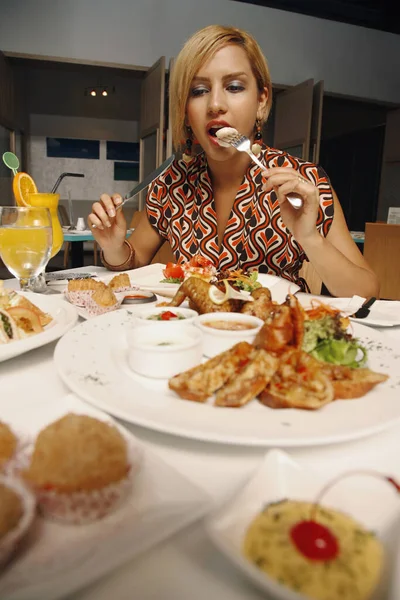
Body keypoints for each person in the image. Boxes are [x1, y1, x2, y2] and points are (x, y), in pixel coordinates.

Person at [88, 25, 379, 298]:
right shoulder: (171, 184)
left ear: (262, 100)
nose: (215, 104)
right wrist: (113, 247)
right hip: (194, 337)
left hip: (274, 338)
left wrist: (310, 238)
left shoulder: (305, 180)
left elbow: (367, 291)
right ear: (185, 109)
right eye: (199, 91)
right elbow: (134, 260)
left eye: (235, 87)